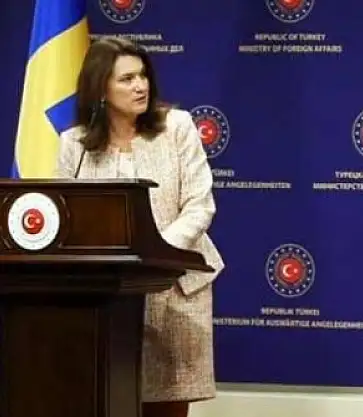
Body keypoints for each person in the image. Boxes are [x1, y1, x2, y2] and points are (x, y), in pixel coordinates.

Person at [55, 36, 225, 417]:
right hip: (104, 296)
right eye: (127, 79)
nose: (140, 86)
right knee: (105, 396)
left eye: (143, 75)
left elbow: (200, 205)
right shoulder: (74, 144)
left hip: (175, 286)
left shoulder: (176, 127)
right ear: (100, 88)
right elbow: (66, 218)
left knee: (166, 403)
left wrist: (154, 256)